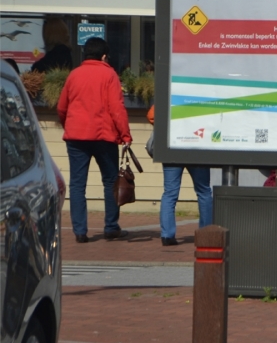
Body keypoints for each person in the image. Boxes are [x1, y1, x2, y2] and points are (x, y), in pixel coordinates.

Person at [57, 37, 132, 243]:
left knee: (78, 184)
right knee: (110, 181)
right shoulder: (109, 74)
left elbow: (62, 107)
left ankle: (80, 231)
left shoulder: (74, 75)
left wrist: (69, 125)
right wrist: (125, 134)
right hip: (104, 137)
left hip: (76, 137)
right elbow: (117, 108)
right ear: (105, 56)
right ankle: (110, 227)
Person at [147, 105, 212, 247]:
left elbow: (152, 114)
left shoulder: (170, 89)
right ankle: (206, 233)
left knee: (170, 193)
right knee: (204, 191)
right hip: (197, 148)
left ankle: (167, 235)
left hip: (172, 147)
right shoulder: (203, 95)